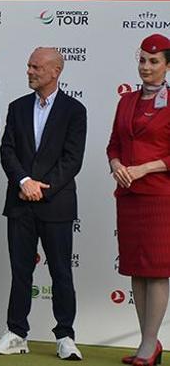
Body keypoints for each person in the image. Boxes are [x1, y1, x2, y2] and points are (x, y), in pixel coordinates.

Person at [0, 48, 86, 360]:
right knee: (20, 271)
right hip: (20, 202)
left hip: (56, 204)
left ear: (56, 71)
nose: (29, 71)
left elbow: (72, 159)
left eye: (36, 67)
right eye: (29, 66)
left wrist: (42, 189)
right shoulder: (17, 107)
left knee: (61, 272)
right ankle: (16, 332)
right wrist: (23, 181)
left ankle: (65, 336)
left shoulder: (74, 110)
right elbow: (7, 150)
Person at [107, 33, 170, 366]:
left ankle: (149, 344)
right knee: (136, 268)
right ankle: (148, 341)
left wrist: (144, 168)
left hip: (160, 197)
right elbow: (114, 145)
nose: (146, 66)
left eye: (154, 61)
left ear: (167, 66)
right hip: (128, 196)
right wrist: (117, 165)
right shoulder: (127, 101)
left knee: (157, 270)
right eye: (143, 60)